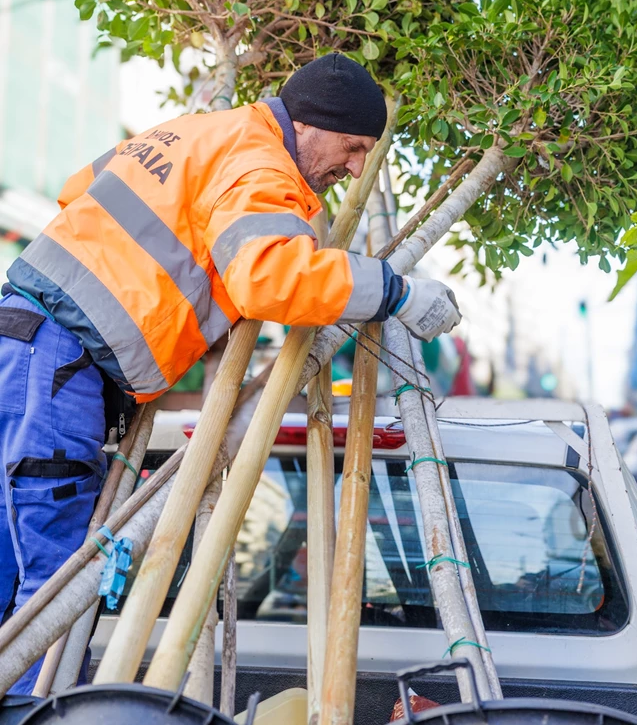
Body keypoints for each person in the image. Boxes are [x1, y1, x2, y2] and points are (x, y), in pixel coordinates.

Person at [0, 52, 461, 692]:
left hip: (19, 341)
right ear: (311, 124)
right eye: (354, 147)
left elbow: (79, 191)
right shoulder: (260, 164)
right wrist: (396, 292)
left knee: (10, 581)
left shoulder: (197, 130)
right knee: (50, 603)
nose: (357, 168)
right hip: (58, 370)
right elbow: (270, 276)